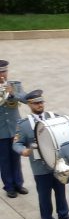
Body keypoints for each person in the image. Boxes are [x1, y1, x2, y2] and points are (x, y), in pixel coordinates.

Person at [13, 90, 69, 219]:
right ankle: (47, 218)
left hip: (57, 162)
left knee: (60, 190)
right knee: (44, 194)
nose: (40, 105)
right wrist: (24, 151)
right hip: (40, 166)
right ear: (29, 104)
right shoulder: (24, 124)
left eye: (41, 102)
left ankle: (63, 214)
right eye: (36, 103)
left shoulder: (53, 117)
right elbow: (16, 143)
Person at [0, 60, 28, 199]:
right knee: (4, 159)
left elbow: (26, 98)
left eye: (4, 72)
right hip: (1, 130)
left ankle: (18, 183)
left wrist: (12, 94)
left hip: (15, 127)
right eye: (0, 72)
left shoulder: (15, 85)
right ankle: (9, 186)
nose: (2, 75)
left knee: (16, 157)